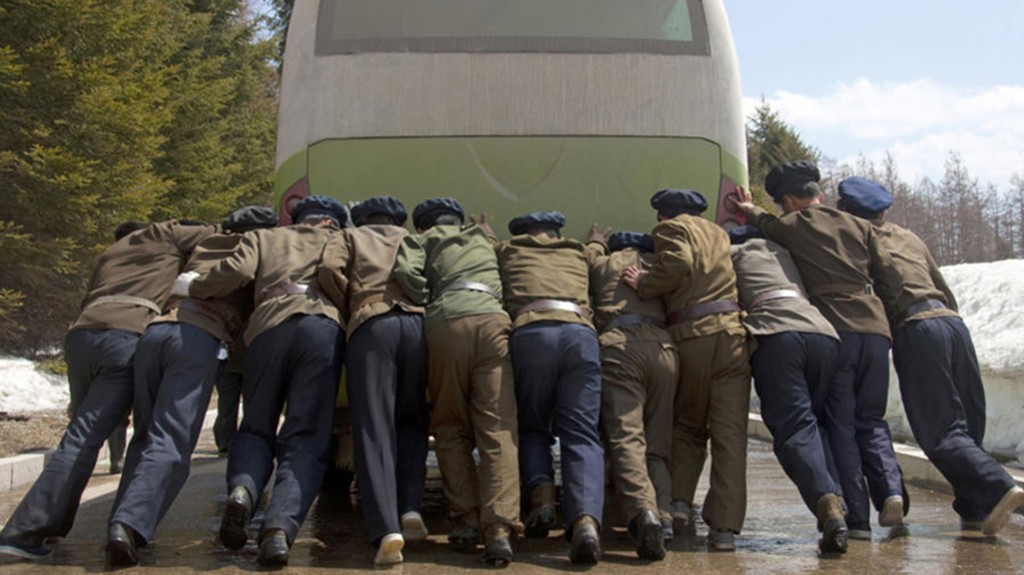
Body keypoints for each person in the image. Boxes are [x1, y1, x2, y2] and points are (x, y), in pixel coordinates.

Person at [0, 219, 215, 561]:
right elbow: (215, 233)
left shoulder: (109, 253)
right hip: (126, 335)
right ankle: (25, 532)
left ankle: (52, 525)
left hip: (82, 337)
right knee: (87, 439)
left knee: (80, 433)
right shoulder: (164, 233)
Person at [835, 176, 1024, 537]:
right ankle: (975, 508)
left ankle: (998, 485)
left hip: (916, 328)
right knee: (967, 423)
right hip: (952, 323)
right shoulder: (909, 237)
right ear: (883, 210)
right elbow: (942, 285)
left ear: (847, 213)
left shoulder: (857, 241)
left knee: (939, 430)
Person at [731, 161, 905, 539]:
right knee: (872, 419)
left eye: (781, 203)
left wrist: (751, 209)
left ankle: (854, 517)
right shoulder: (861, 225)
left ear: (791, 200)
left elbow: (768, 225)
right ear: (820, 193)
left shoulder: (795, 225)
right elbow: (887, 274)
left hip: (835, 328)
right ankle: (892, 491)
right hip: (874, 329)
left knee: (837, 423)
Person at [104, 206, 278, 567]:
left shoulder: (204, 245)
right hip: (195, 338)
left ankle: (124, 522)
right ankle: (128, 524)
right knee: (172, 441)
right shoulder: (254, 248)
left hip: (155, 332)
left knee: (146, 436)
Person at [179, 195, 347, 566]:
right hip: (321, 327)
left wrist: (192, 288)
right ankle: (278, 531)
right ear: (333, 222)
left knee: (256, 427)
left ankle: (243, 490)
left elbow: (234, 274)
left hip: (267, 327)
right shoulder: (339, 241)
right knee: (304, 434)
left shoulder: (265, 238)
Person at [392, 198, 521, 566]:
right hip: (493, 321)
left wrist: (428, 298)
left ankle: (465, 519)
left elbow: (406, 274)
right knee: (498, 428)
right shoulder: (482, 239)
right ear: (461, 220)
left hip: (446, 324)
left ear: (422, 226)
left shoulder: (420, 240)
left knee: (449, 425)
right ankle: (499, 529)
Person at [622, 189, 751, 552]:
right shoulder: (719, 234)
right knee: (730, 435)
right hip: (733, 337)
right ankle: (724, 530)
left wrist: (644, 283)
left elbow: (677, 262)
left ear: (662, 215)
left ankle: (678, 506)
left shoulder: (670, 230)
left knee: (688, 426)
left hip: (694, 335)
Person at [317, 196, 429, 566]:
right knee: (412, 420)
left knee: (374, 428)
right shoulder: (412, 238)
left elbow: (329, 271)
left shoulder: (350, 237)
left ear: (362, 218)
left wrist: (351, 305)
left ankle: (385, 529)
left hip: (372, 324)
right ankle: (411, 508)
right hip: (417, 325)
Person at [490, 210, 606, 565]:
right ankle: (585, 520)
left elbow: (489, 250)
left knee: (532, 425)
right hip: (580, 334)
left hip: (532, 334)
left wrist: (484, 233)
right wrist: (598, 239)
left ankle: (541, 498)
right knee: (582, 433)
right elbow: (598, 254)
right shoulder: (577, 251)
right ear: (556, 234)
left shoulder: (509, 250)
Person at [728, 225, 848, 553]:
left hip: (777, 334)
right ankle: (839, 501)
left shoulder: (732, 254)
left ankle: (826, 502)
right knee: (818, 425)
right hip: (823, 333)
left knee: (795, 427)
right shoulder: (784, 254)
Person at [589, 231, 675, 559]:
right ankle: (664, 516)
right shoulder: (655, 264)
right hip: (664, 348)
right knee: (658, 441)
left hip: (620, 346)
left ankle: (643, 512)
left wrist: (595, 242)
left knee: (627, 438)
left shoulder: (600, 264)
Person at [212, 207, 279, 454]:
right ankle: (252, 442)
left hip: (228, 341)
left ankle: (226, 442)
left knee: (227, 401)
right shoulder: (263, 254)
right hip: (253, 340)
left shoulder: (220, 254)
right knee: (255, 399)